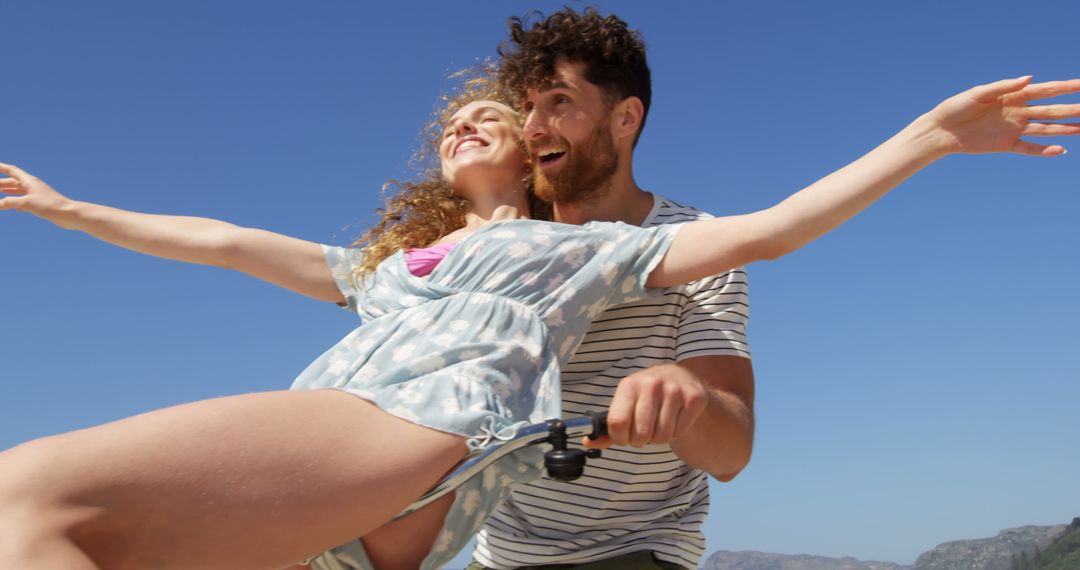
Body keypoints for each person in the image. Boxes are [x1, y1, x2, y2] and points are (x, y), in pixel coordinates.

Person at [1, 54, 1078, 570]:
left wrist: (930, 137)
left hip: (410, 432)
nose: (467, 127)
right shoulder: (394, 261)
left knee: (32, 485)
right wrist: (65, 208)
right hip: (334, 475)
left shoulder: (585, 250)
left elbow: (775, 226)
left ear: (536, 147)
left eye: (493, 118)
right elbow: (227, 242)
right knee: (59, 540)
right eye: (455, 123)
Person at [465, 9, 1080, 569]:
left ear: (625, 117)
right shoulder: (503, 242)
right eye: (527, 107)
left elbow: (732, 454)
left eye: (558, 101)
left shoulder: (699, 244)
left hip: (632, 550)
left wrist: (689, 399)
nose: (534, 126)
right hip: (494, 553)